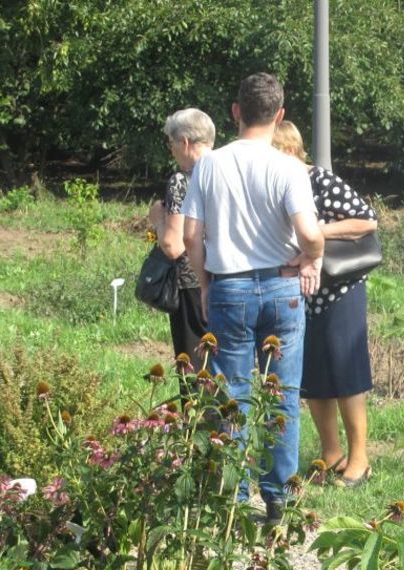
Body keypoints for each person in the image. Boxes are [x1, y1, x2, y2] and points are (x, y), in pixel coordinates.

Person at [182, 73, 324, 523]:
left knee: (235, 392)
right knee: (283, 393)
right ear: (280, 116)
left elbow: (191, 236)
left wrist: (206, 285)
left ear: (235, 112)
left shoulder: (210, 164)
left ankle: (237, 492)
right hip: (283, 287)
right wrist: (310, 259)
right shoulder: (288, 167)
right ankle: (278, 494)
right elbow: (309, 233)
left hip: (230, 287)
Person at [271, 122, 378, 487]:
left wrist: (318, 232)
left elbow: (366, 220)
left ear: (288, 150)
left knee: (345, 373)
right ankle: (331, 454)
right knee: (313, 376)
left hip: (340, 288)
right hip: (304, 291)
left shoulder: (320, 180)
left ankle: (360, 459)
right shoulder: (276, 186)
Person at [148, 108, 214, 377]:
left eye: (171, 143)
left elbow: (174, 245)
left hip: (192, 285)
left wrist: (157, 221)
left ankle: (197, 420)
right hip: (230, 277)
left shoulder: (181, 180)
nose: (171, 150)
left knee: (194, 370)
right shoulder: (227, 169)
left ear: (185, 142)